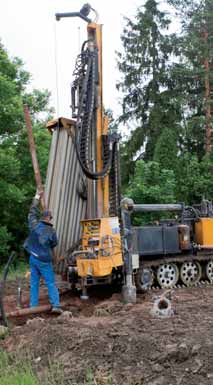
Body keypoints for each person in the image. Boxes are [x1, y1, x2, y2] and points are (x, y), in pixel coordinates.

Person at [24, 191, 62, 314]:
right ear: (49, 218)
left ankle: (33, 306)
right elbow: (54, 244)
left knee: (34, 283)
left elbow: (32, 212)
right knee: (50, 282)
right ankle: (56, 305)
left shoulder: (34, 225)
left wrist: (36, 196)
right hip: (44, 260)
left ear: (41, 217)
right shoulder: (51, 231)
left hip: (33, 258)